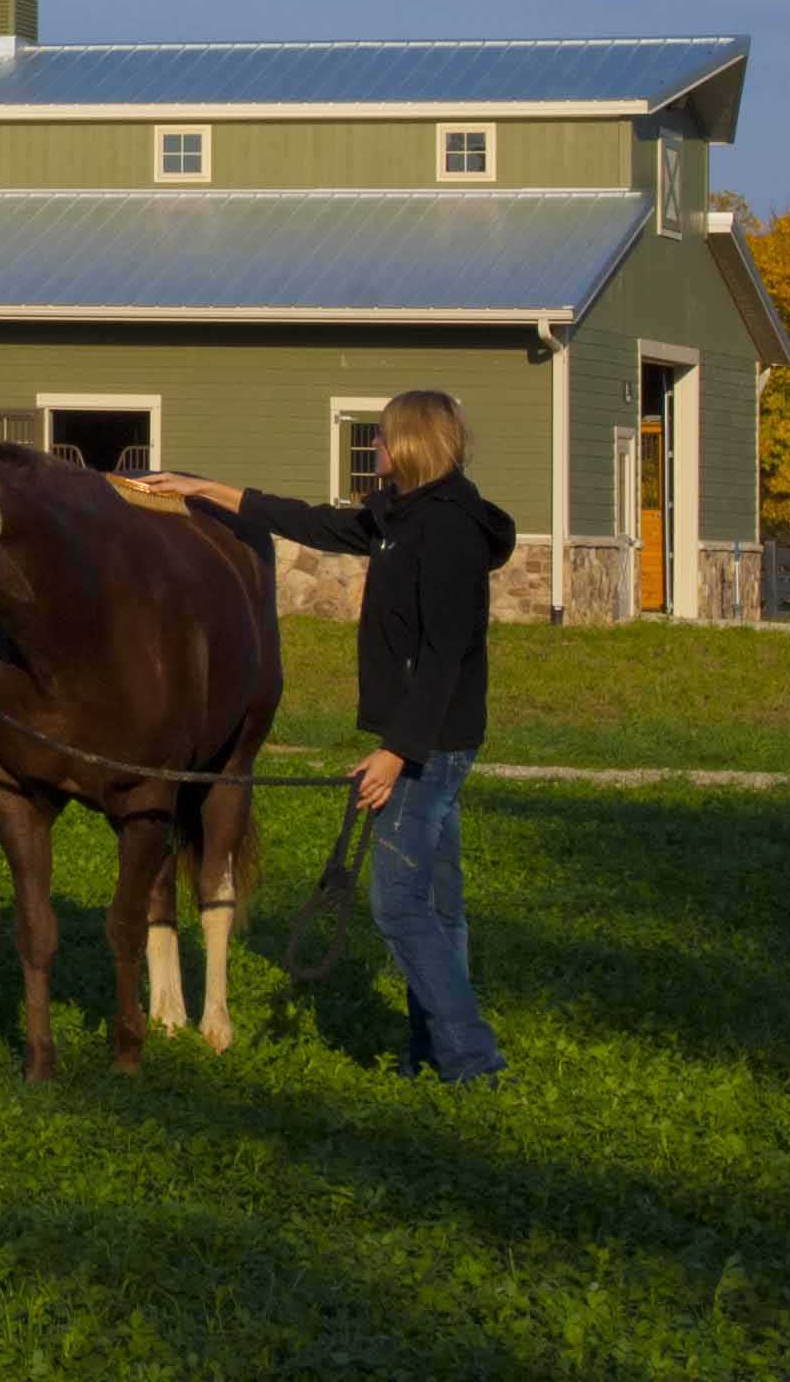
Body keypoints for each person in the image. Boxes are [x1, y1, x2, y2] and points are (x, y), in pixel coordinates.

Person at [144, 390, 518, 1083]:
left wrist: (397, 750)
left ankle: (472, 1059)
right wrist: (204, 490)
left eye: (381, 440)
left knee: (398, 906)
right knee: (437, 906)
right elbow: (309, 521)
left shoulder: (450, 531)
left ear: (410, 444)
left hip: (428, 746)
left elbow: (444, 655)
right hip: (426, 740)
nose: (375, 451)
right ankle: (432, 1050)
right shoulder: (399, 517)